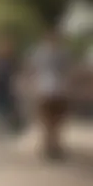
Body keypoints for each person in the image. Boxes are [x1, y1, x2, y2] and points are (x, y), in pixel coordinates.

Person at [27, 29, 71, 160]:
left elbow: (68, 71)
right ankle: (48, 145)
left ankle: (54, 145)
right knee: (46, 119)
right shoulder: (40, 53)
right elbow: (32, 69)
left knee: (56, 120)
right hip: (45, 89)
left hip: (58, 90)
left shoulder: (62, 53)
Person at [0, 34, 22, 151]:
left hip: (8, 87)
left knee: (7, 108)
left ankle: (7, 129)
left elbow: (16, 74)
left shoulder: (12, 61)